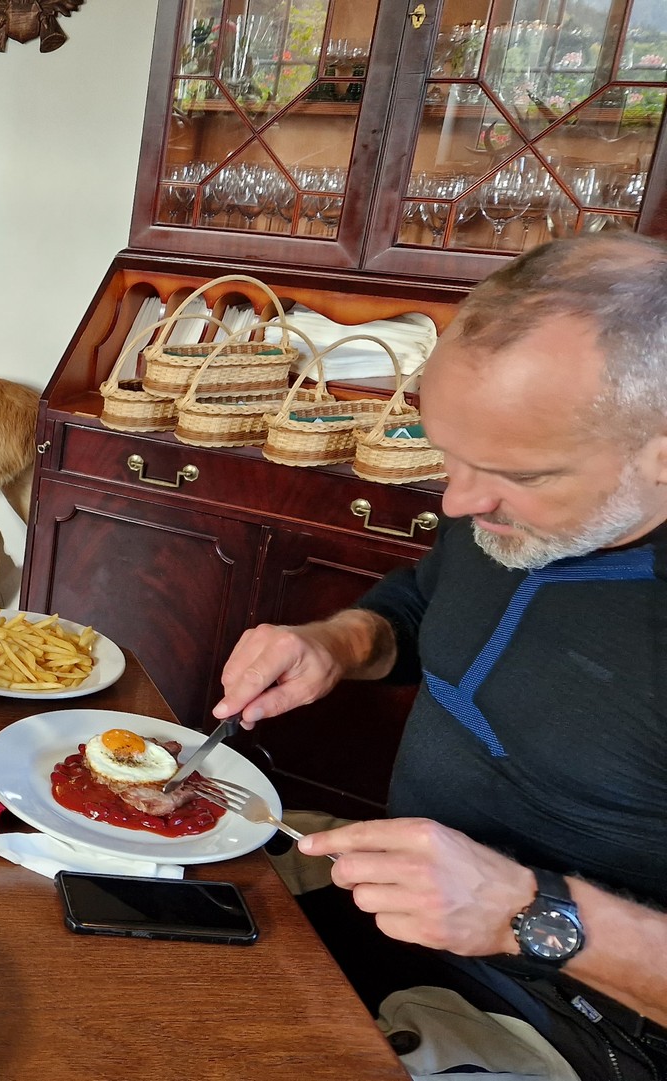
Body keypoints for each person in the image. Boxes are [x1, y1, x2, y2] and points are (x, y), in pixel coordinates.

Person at [214, 233, 667, 1079]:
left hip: (570, 1013)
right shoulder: (502, 508)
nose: (458, 500)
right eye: (449, 455)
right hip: (385, 890)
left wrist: (525, 913)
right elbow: (426, 605)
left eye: (515, 473)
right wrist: (336, 643)